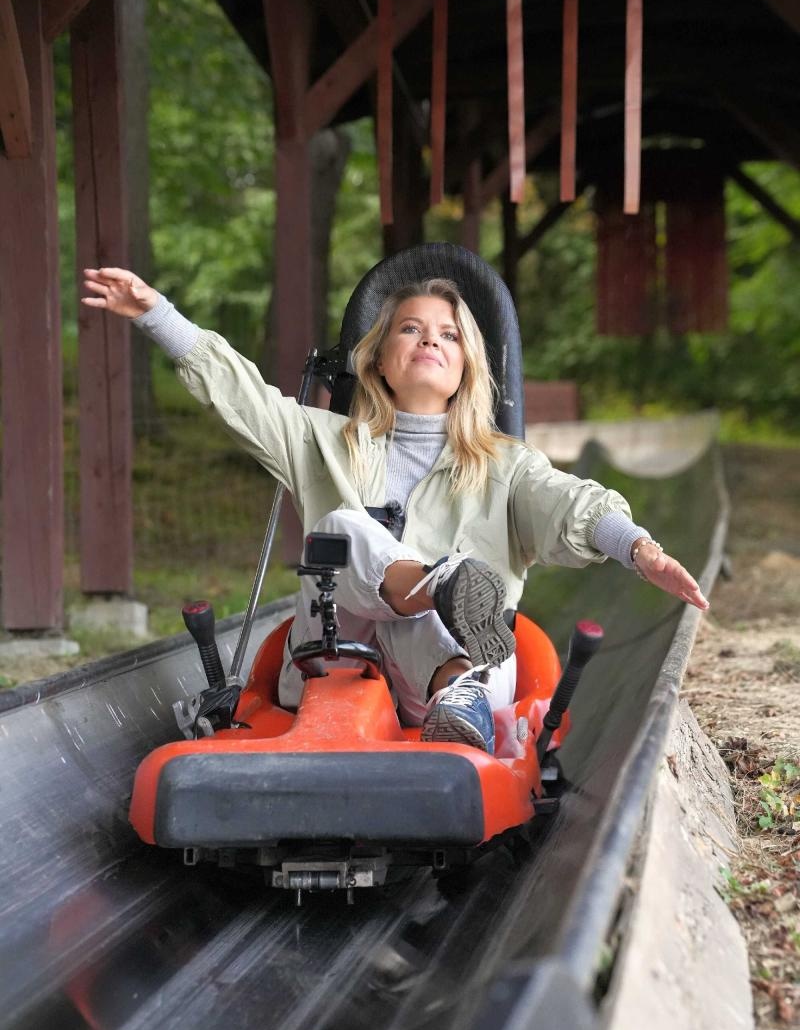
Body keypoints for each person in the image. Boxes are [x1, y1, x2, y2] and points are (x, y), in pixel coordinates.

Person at [82, 266, 709, 756]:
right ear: (380, 358)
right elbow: (241, 397)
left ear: (466, 368)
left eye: (448, 334)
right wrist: (157, 314)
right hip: (334, 662)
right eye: (410, 328)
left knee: (406, 591)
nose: (430, 339)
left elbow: (571, 503)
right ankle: (442, 586)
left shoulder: (508, 467)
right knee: (341, 529)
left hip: (463, 683)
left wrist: (638, 547)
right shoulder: (322, 441)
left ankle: (453, 672)